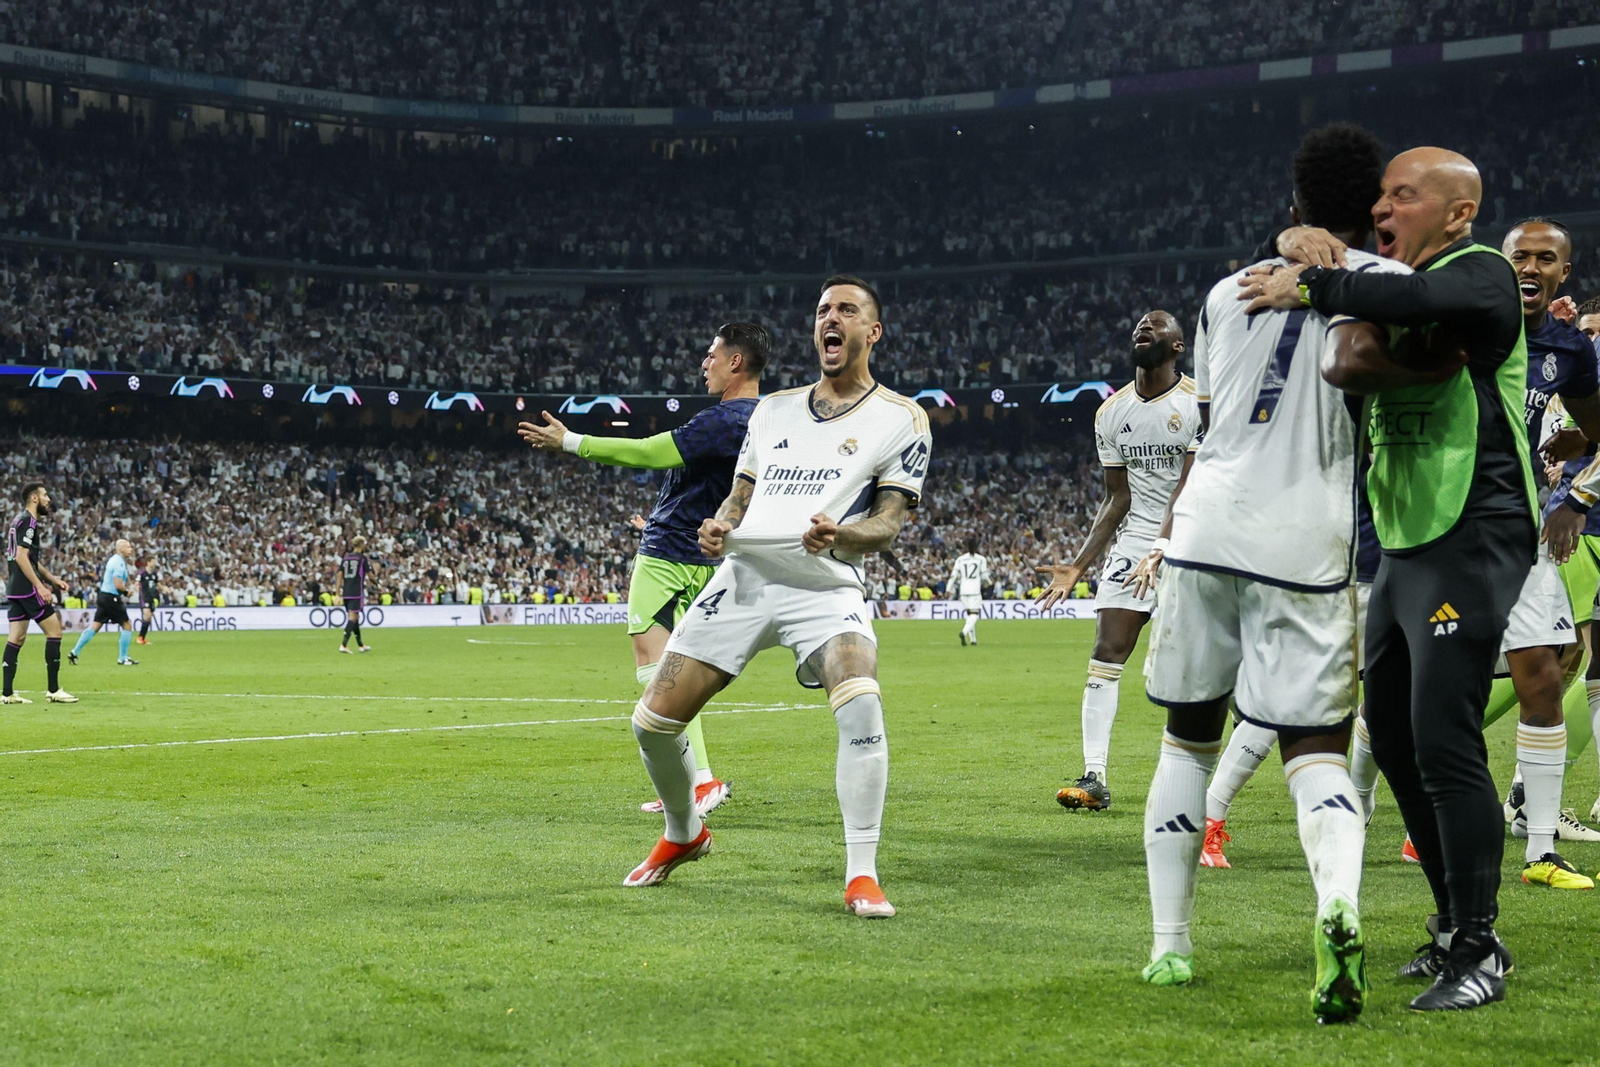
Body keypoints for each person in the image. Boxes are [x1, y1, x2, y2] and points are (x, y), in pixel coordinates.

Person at [1242, 146, 1533, 1012]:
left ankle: (1480, 948)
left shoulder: (1479, 272)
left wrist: (1312, 283)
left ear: (1457, 211)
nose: (1383, 209)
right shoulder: (1385, 275)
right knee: (1395, 739)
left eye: (1404, 197)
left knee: (1444, 737)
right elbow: (1353, 347)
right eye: (1379, 198)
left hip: (1474, 524)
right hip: (1407, 535)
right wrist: (1301, 241)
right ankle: (1452, 925)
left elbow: (1407, 301)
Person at [1135, 123, 1414, 1023]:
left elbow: (1217, 414)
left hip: (1207, 524)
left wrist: (1289, 251)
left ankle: (1170, 947)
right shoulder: (1395, 284)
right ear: (1373, 209)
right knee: (1317, 747)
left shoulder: (1225, 293)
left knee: (1188, 737)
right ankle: (1338, 903)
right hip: (1306, 535)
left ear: (1294, 210)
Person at [620, 275, 931, 920]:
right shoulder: (774, 410)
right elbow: (740, 493)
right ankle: (684, 832)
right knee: (651, 724)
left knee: (861, 698)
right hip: (744, 579)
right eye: (822, 311)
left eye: (846, 310)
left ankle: (862, 874)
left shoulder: (901, 418)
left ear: (872, 332)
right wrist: (720, 526)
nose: (830, 320)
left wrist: (844, 531)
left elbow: (891, 520)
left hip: (824, 582)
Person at [520, 321, 767, 819]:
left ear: (735, 361)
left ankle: (697, 781)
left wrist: (573, 442)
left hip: (669, 555)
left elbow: (651, 451)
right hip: (704, 556)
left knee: (658, 666)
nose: (705, 363)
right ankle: (694, 781)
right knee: (678, 666)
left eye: (711, 354)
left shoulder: (725, 418)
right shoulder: (765, 420)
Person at [1037, 311, 1201, 811]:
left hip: (1193, 539)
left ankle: (1203, 783)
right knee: (1106, 652)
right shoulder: (1111, 412)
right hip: (1134, 546)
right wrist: (1078, 565)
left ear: (1177, 347)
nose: (1142, 329)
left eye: (1155, 326)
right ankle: (1094, 776)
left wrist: (1165, 546)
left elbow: (1191, 486)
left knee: (1200, 670)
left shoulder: (1197, 403)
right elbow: (1116, 499)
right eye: (1137, 326)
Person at [4, 481, 76, 704]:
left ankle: (7, 694)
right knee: (55, 632)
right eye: (45, 495)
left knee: (17, 637)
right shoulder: (29, 521)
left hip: (15, 589)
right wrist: (40, 586)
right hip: (27, 589)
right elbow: (21, 557)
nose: (48, 500)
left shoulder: (18, 520)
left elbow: (30, 559)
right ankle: (53, 690)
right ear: (34, 498)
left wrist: (53, 580)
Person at [68, 538, 139, 666]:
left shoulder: (116, 560)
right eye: (128, 547)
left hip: (103, 596)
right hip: (111, 597)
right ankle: (122, 658)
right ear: (121, 549)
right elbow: (117, 584)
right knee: (127, 624)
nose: (131, 549)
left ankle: (74, 652)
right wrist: (127, 592)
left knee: (95, 626)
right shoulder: (118, 563)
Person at [947, 537, 990, 646]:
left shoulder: (960, 559)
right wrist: (990, 582)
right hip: (974, 589)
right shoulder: (981, 559)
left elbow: (954, 575)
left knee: (970, 615)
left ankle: (973, 640)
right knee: (974, 615)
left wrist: (948, 588)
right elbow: (985, 576)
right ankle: (964, 632)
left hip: (963, 589)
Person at [338, 535, 373, 653]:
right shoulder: (362, 558)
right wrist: (376, 583)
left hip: (346, 592)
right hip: (356, 592)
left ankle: (361, 645)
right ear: (361, 544)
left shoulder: (346, 557)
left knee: (356, 618)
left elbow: (339, 574)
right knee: (352, 618)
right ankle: (343, 644)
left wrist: (338, 592)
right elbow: (370, 575)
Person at [136, 556, 161, 644]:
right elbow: (137, 583)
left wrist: (166, 589)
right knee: (146, 615)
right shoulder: (142, 572)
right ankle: (140, 637)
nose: (155, 563)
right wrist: (136, 589)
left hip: (152, 597)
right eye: (153, 562)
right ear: (148, 562)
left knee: (149, 617)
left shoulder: (154, 574)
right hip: (144, 597)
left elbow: (158, 584)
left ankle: (142, 637)